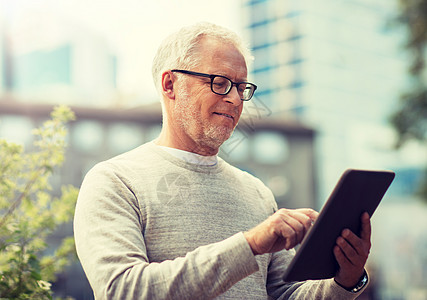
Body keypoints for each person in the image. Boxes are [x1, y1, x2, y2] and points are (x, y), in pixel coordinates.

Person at [74, 22, 371, 299]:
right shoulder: (114, 181)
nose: (235, 99)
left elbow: (283, 293)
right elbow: (122, 290)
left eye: (242, 88)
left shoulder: (256, 192)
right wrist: (249, 244)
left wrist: (345, 281)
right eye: (219, 82)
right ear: (170, 85)